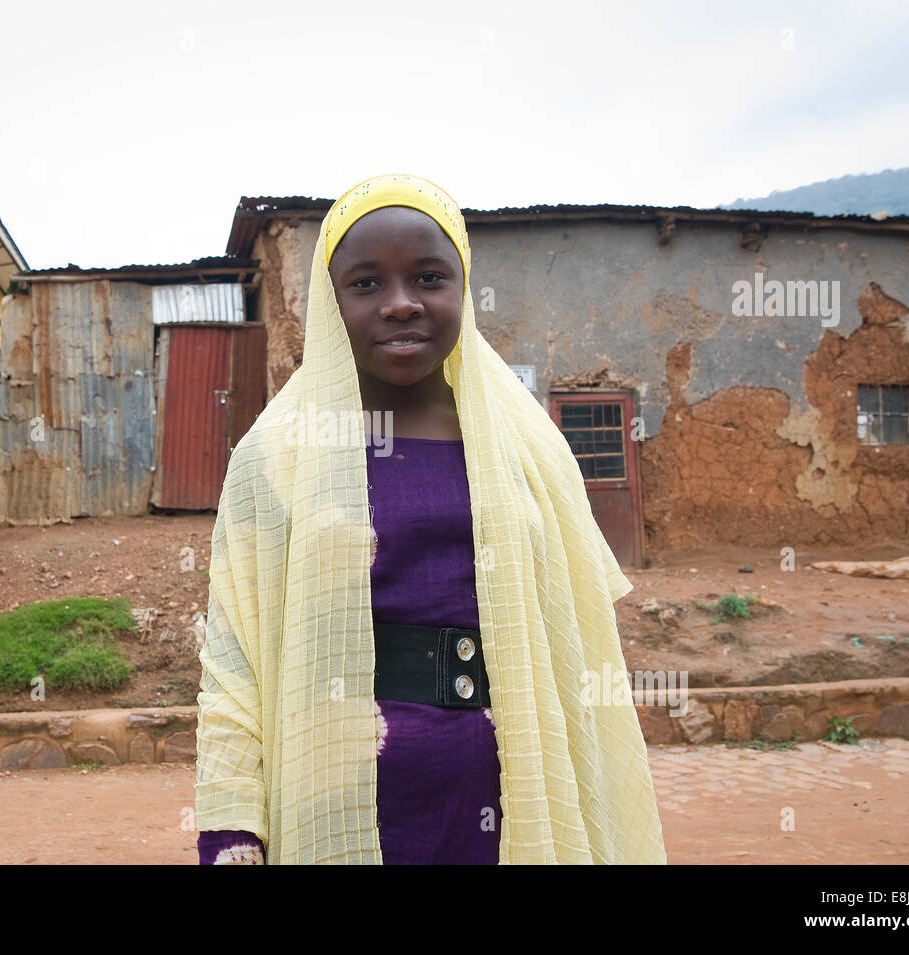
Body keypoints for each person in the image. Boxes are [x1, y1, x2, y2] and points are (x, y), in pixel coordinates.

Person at [194, 173, 666, 864]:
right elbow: (235, 660)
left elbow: (576, 633)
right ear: (331, 302)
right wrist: (231, 826)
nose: (400, 304)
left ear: (462, 290)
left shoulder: (525, 447)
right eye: (365, 284)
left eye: (428, 277)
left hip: (509, 790)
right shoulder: (279, 453)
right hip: (339, 797)